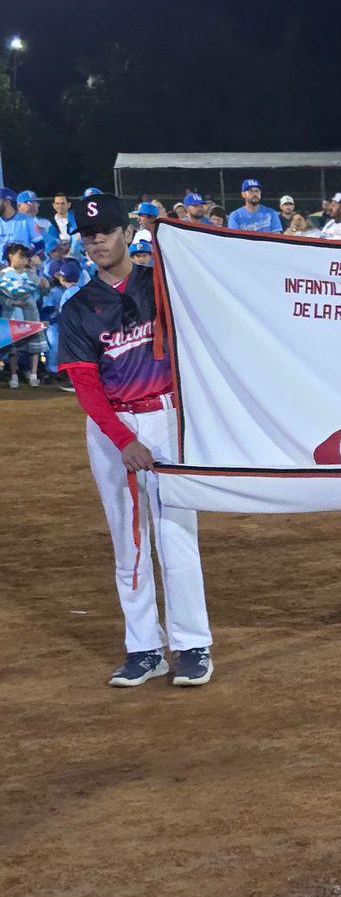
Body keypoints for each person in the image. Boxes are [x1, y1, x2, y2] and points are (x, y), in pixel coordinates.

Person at [56, 194, 215, 688]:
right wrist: (123, 439)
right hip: (113, 432)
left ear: (127, 233)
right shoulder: (79, 308)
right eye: (89, 234)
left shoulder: (161, 285)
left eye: (105, 231)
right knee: (130, 543)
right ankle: (144, 648)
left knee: (177, 537)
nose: (97, 240)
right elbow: (86, 384)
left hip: (167, 421)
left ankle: (191, 645)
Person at [2, 242, 47, 387]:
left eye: (25, 257)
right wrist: (12, 303)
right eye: (20, 257)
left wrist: (46, 286)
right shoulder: (2, 275)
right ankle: (14, 376)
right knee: (13, 348)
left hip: (30, 314)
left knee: (33, 346)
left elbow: (42, 293)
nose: (23, 260)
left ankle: (33, 375)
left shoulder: (31, 274)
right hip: (12, 314)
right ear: (10, 256)